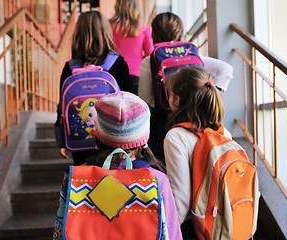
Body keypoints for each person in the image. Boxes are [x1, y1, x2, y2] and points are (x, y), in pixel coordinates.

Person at [53, 91, 182, 240]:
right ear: (143, 139)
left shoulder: (76, 179)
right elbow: (172, 235)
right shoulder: (157, 180)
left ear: (98, 135)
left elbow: (61, 230)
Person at [138, 12, 233, 161]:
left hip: (163, 124)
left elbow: (145, 99)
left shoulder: (149, 61)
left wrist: (164, 100)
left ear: (154, 33)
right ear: (180, 32)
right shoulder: (192, 56)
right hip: (197, 118)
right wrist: (210, 92)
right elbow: (225, 69)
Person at [163, 66, 232, 239]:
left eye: (170, 94)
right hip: (225, 224)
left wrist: (168, 234)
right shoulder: (224, 133)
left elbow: (181, 199)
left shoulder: (176, 137)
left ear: (177, 100)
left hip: (195, 229)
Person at [54, 11, 131, 165]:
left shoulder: (69, 68)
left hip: (79, 142)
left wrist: (61, 139)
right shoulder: (118, 63)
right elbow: (129, 104)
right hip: (113, 141)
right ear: (105, 32)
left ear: (78, 35)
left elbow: (62, 106)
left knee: (84, 183)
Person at [109, 0, 154, 95]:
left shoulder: (109, 27)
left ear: (117, 5)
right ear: (137, 7)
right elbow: (150, 54)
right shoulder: (142, 28)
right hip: (137, 75)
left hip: (114, 75)